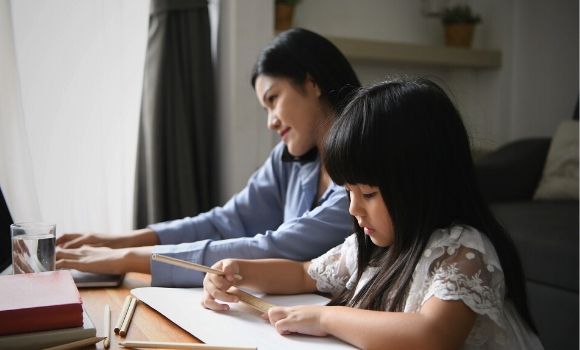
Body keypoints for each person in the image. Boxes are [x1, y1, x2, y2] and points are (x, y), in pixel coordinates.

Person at [202, 78, 544, 349]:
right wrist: (238, 271)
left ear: (422, 182)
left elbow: (431, 336)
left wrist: (326, 319)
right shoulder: (374, 246)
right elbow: (304, 274)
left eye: (368, 193)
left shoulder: (464, 251)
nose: (354, 208)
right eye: (349, 192)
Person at [55, 28, 361, 287]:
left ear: (312, 82)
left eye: (273, 99)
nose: (270, 121)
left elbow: (274, 249)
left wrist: (127, 259)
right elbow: (225, 222)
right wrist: (119, 241)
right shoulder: (289, 161)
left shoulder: (364, 171)